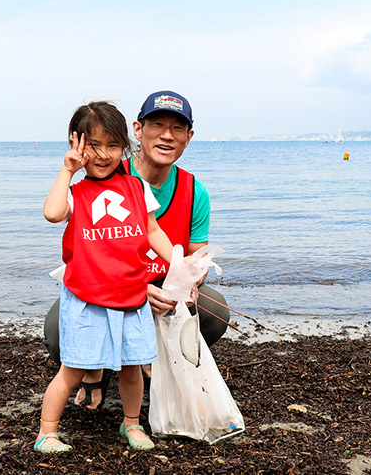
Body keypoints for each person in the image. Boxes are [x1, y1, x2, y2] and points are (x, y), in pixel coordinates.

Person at [43, 90, 230, 409]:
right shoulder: (109, 177)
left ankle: (151, 362)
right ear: (138, 131)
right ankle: (93, 373)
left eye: (178, 128)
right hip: (109, 285)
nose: (167, 135)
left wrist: (185, 281)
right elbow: (69, 229)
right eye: (157, 124)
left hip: (163, 287)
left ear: (189, 137)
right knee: (59, 328)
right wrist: (137, 287)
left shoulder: (194, 190)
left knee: (215, 310)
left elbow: (190, 257)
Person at [34, 101, 175, 454]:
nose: (104, 154)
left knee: (131, 368)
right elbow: (52, 213)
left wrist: (181, 263)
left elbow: (153, 230)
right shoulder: (75, 191)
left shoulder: (135, 186)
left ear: (125, 146)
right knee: (73, 369)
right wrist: (67, 170)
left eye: (113, 146)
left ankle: (132, 424)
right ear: (76, 143)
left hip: (131, 294)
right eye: (94, 145)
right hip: (86, 296)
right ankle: (47, 432)